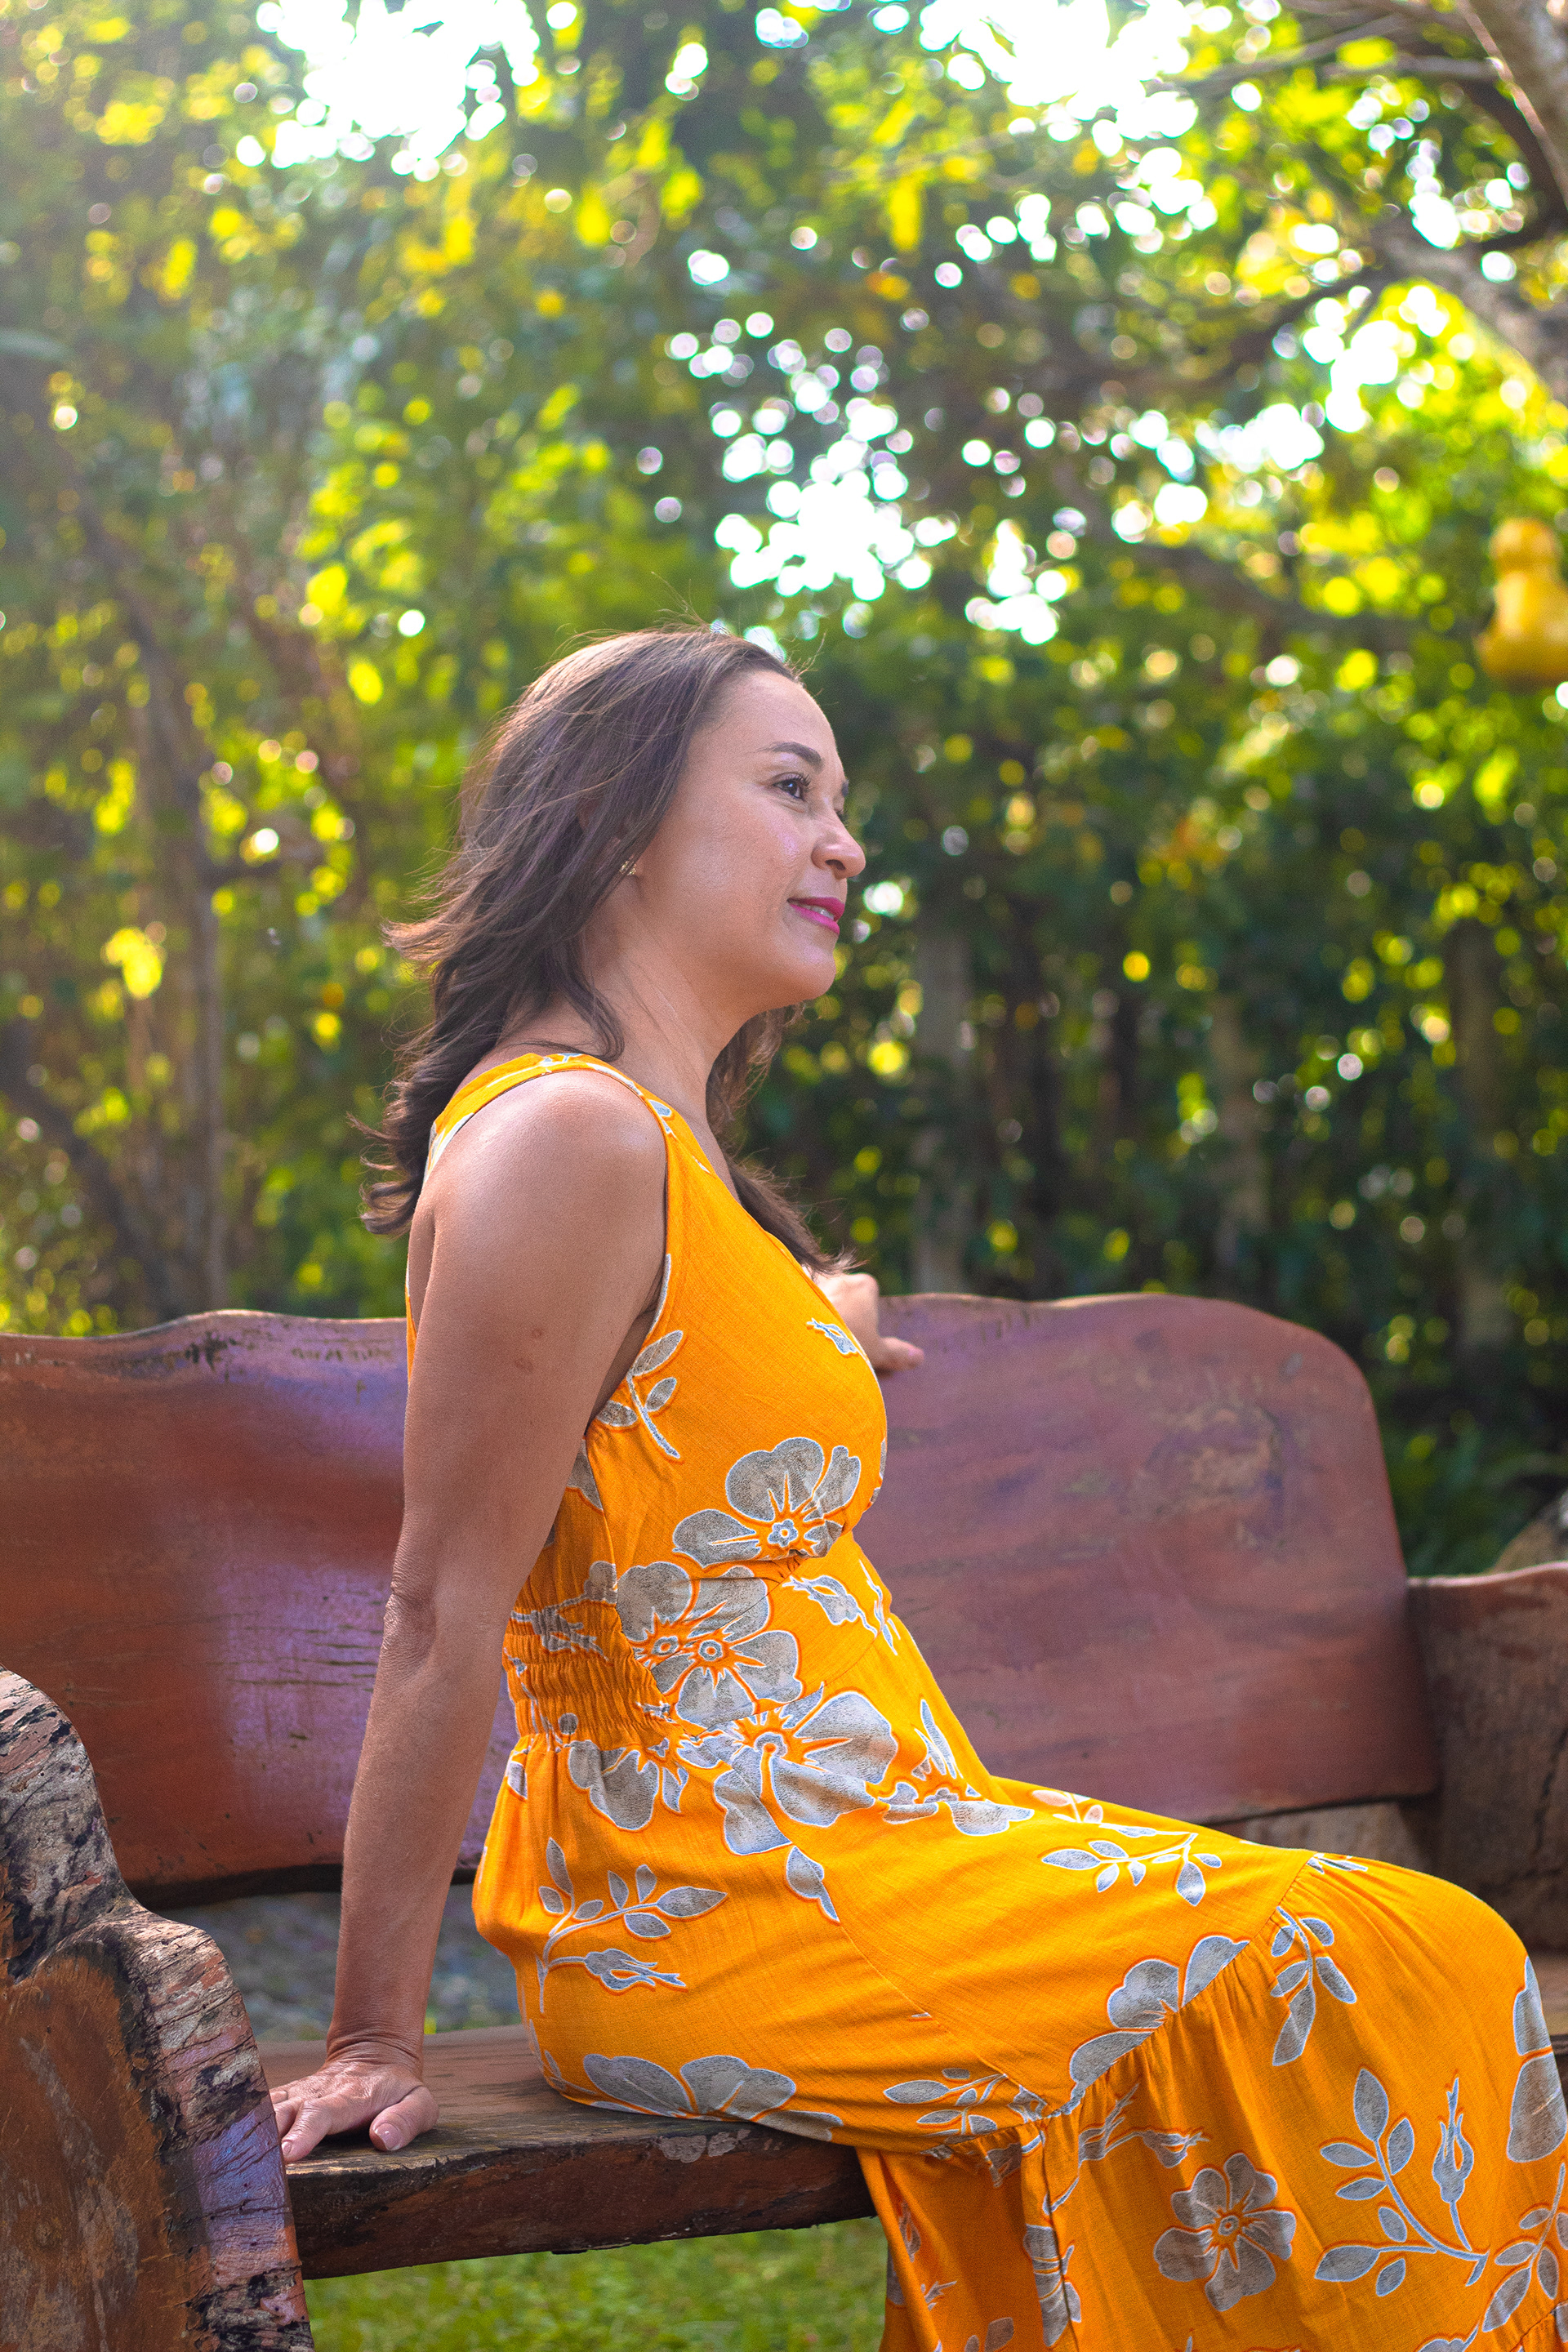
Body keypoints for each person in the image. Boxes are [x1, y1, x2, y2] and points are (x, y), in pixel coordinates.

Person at [271, 626, 1566, 2350]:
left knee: (1415, 1946)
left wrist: (825, 1315)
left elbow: (680, 1375)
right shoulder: (563, 1142)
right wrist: (372, 2035)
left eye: (842, 802)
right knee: (1386, 1959)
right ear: (618, 825)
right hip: (704, 1897)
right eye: (791, 788)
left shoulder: (656, 1152)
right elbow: (445, 1604)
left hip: (861, 1845)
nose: (845, 842)